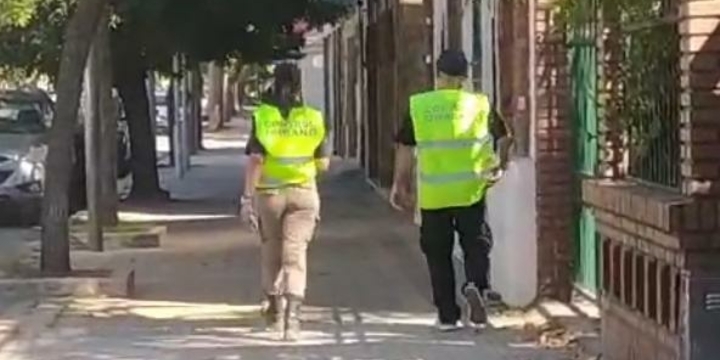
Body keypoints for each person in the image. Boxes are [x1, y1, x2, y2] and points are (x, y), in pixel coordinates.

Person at [390, 49, 513, 331]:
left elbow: (406, 149)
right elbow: (505, 138)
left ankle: (448, 316)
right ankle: (476, 287)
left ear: (439, 76)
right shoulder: (479, 105)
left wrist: (401, 184)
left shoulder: (419, 107)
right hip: (471, 190)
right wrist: (499, 166)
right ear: (464, 78)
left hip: (434, 196)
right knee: (476, 245)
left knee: (438, 253)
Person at [239, 62, 330, 341]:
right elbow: (323, 163)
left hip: (270, 195)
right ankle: (294, 320)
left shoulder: (263, 117)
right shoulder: (313, 118)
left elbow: (256, 160)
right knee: (296, 255)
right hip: (303, 195)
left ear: (273, 83)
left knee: (272, 252)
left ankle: (275, 312)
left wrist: (246, 198)